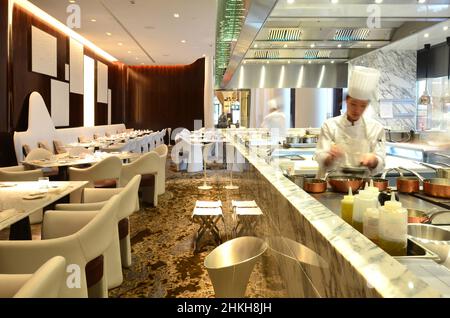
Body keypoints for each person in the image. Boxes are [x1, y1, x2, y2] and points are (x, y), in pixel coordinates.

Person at [314, 66, 386, 178]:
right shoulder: (329, 125)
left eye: (362, 106)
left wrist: (373, 160)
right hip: (332, 184)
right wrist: (330, 157)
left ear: (367, 105)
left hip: (361, 187)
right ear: (347, 101)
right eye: (353, 104)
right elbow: (320, 157)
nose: (357, 110)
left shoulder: (376, 128)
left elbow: (381, 162)